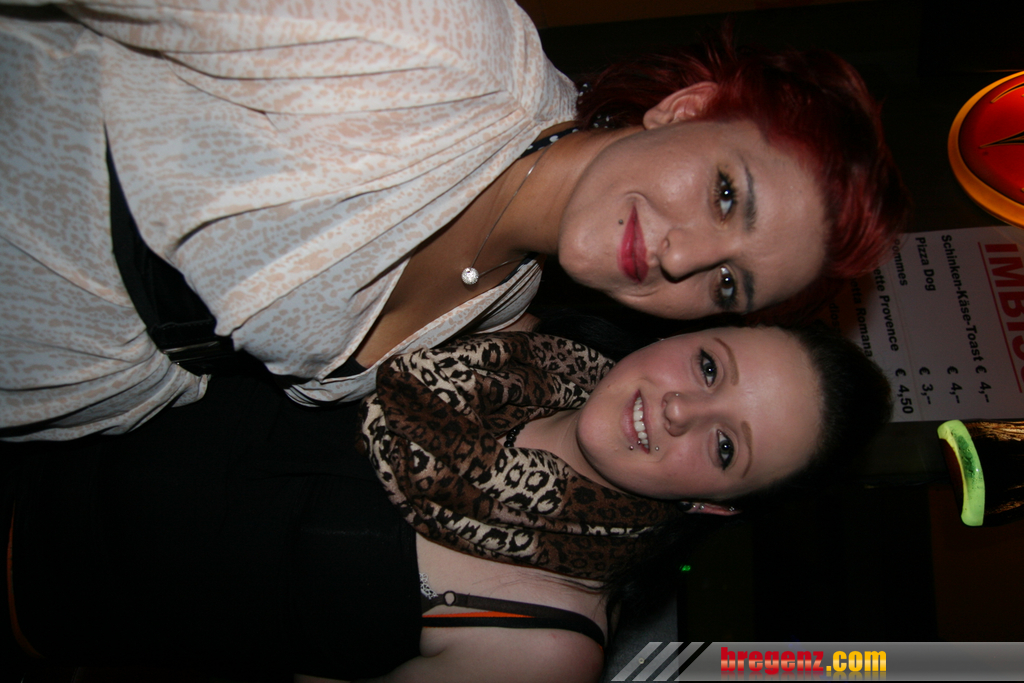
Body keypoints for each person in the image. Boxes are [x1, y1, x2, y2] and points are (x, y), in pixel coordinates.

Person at [0, 0, 909, 441]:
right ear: (687, 108)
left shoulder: (501, 300)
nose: (683, 256)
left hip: (54, 386)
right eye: (726, 194)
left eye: (729, 283)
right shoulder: (444, 48)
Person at [4, 325, 891, 682]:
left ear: (719, 506)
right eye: (708, 365)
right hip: (39, 401)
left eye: (726, 446)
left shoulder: (546, 646)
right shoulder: (509, 328)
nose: (681, 409)